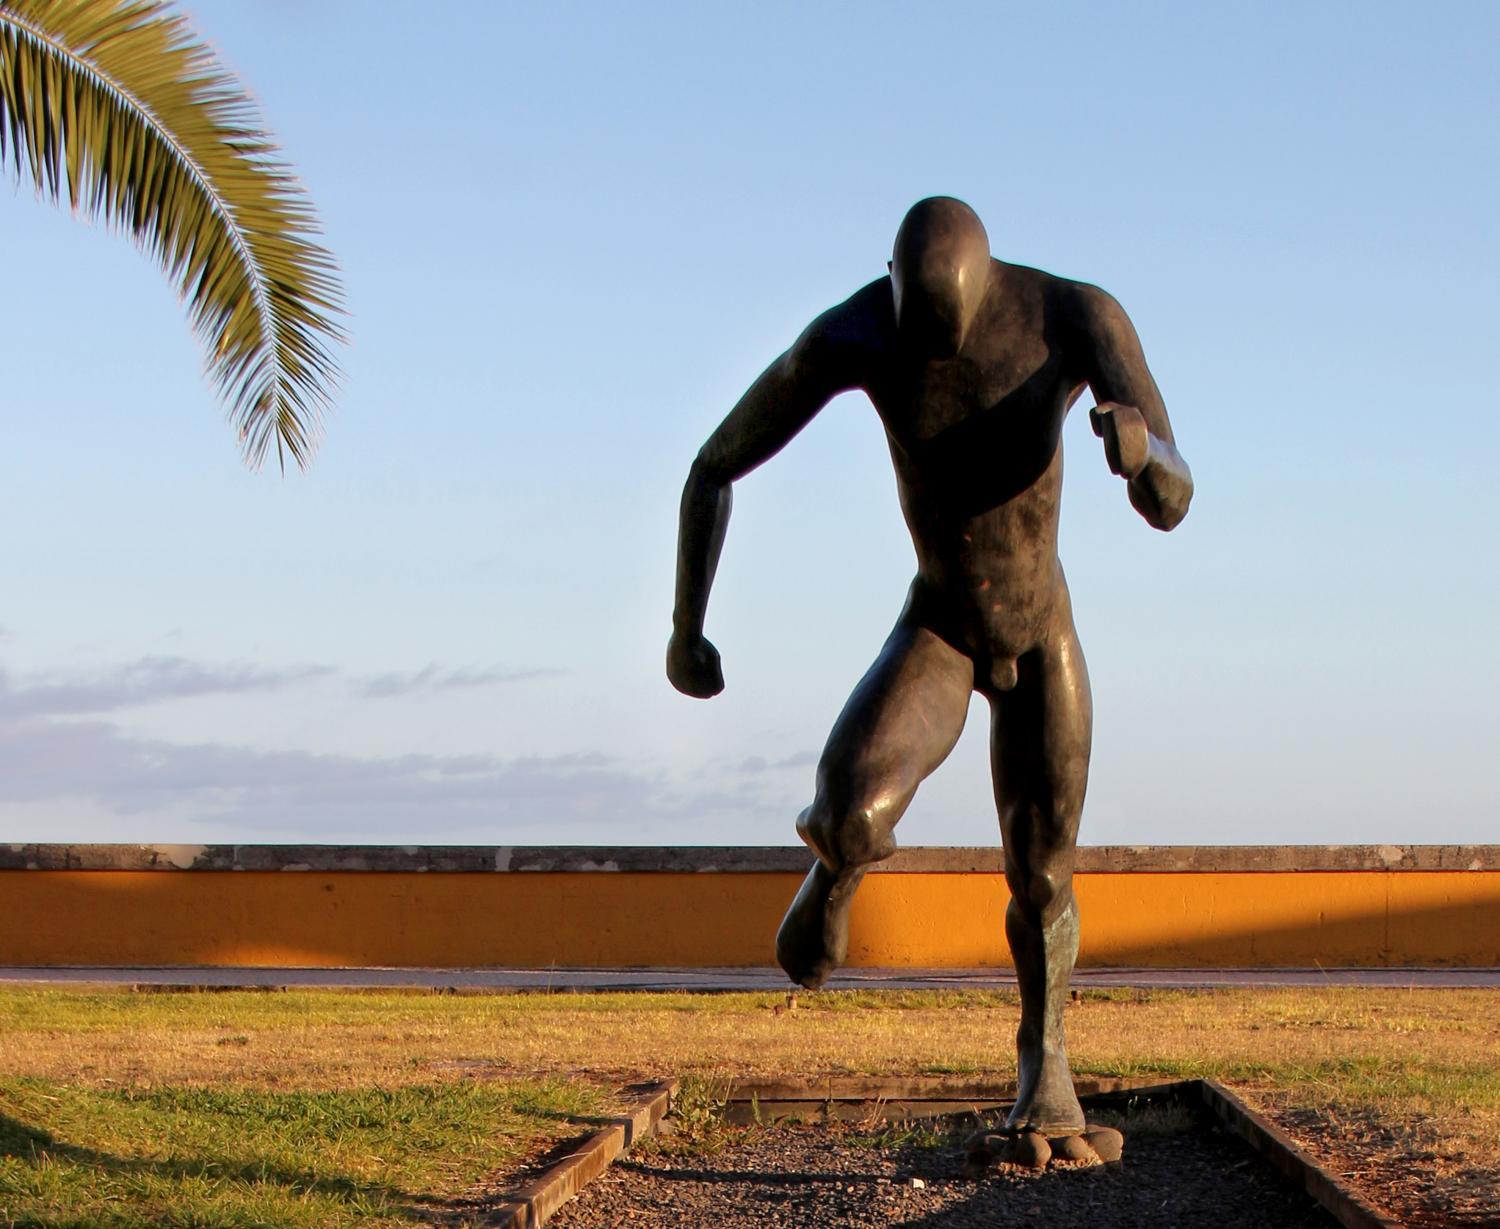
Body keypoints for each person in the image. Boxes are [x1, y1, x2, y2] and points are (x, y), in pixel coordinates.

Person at [667, 196, 1192, 1135]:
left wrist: (1141, 455)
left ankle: (1047, 1059)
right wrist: (685, 628)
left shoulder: (1074, 316)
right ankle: (835, 866)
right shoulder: (858, 332)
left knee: (1041, 874)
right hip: (941, 627)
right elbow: (715, 464)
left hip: (1041, 635)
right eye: (922, 334)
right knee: (848, 808)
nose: (937, 353)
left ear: (987, 286)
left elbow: (1176, 496)